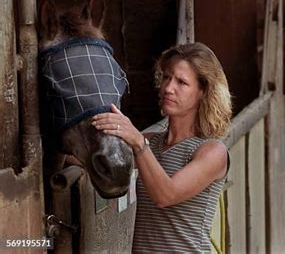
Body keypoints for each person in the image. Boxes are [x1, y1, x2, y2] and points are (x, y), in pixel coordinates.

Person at [91, 42, 232, 252]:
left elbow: (166, 196)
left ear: (203, 91)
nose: (168, 88)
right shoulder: (151, 143)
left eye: (182, 82)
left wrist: (138, 143)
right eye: (167, 77)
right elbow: (98, 160)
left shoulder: (212, 151)